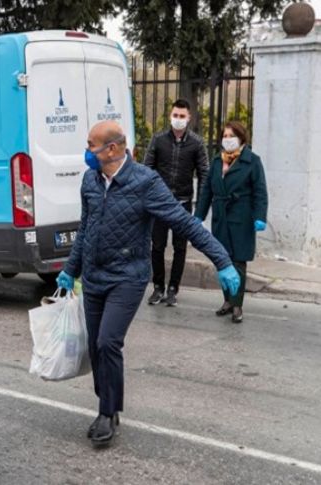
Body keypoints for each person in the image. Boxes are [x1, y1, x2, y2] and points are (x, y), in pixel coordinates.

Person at [56, 121, 240, 446]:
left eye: (90, 145)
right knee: (95, 347)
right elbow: (85, 228)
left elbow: (183, 222)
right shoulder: (90, 179)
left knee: (108, 342)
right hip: (95, 277)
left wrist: (222, 259)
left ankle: (107, 412)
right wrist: (71, 270)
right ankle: (108, 403)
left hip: (128, 276)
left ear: (112, 149)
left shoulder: (145, 182)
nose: (86, 152)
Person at [194, 122, 268, 323]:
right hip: (221, 218)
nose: (227, 139)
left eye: (231, 135)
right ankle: (227, 300)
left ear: (241, 138)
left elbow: (260, 192)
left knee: (238, 262)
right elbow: (207, 189)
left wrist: (260, 216)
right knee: (222, 260)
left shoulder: (252, 161)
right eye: (224, 135)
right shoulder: (217, 160)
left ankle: (237, 305)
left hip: (241, 218)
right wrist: (199, 214)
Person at [143, 99, 209, 306]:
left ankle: (173, 289)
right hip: (160, 204)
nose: (178, 120)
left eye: (182, 116)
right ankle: (158, 287)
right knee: (158, 246)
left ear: (189, 118)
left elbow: (204, 175)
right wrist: (150, 199)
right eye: (175, 115)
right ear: (170, 116)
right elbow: (147, 169)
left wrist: (200, 208)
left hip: (183, 203)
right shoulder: (158, 139)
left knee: (180, 247)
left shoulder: (197, 143)